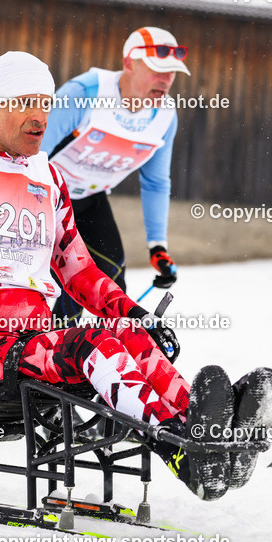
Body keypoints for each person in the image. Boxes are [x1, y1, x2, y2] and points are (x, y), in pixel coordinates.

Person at [0, 51, 272, 501]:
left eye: (46, 104)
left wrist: (135, 315)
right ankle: (185, 449)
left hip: (32, 346)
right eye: (25, 103)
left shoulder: (49, 178)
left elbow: (78, 269)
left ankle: (213, 439)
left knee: (130, 336)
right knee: (91, 344)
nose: (40, 117)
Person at [41, 26, 187, 323]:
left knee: (113, 281)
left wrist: (158, 247)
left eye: (171, 72)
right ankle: (48, 349)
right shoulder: (84, 94)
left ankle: (110, 349)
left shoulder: (165, 116)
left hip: (90, 199)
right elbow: (30, 155)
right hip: (48, 199)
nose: (165, 80)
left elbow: (156, 181)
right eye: (156, 70)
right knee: (68, 287)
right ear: (129, 63)